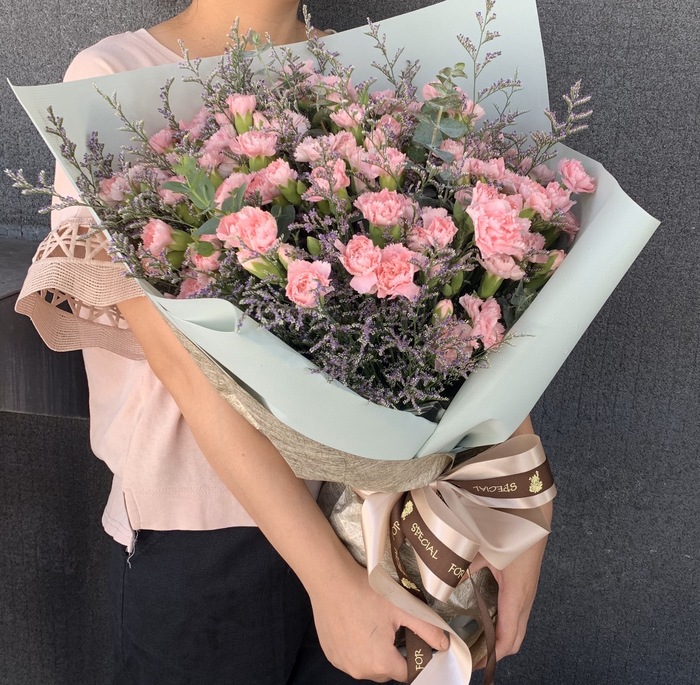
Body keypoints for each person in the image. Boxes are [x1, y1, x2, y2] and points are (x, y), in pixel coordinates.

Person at [15, 0, 553, 682]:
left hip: (378, 521)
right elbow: (182, 368)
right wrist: (330, 584)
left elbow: (465, 312)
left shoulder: (365, 72)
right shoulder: (113, 77)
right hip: (208, 538)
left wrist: (520, 501)